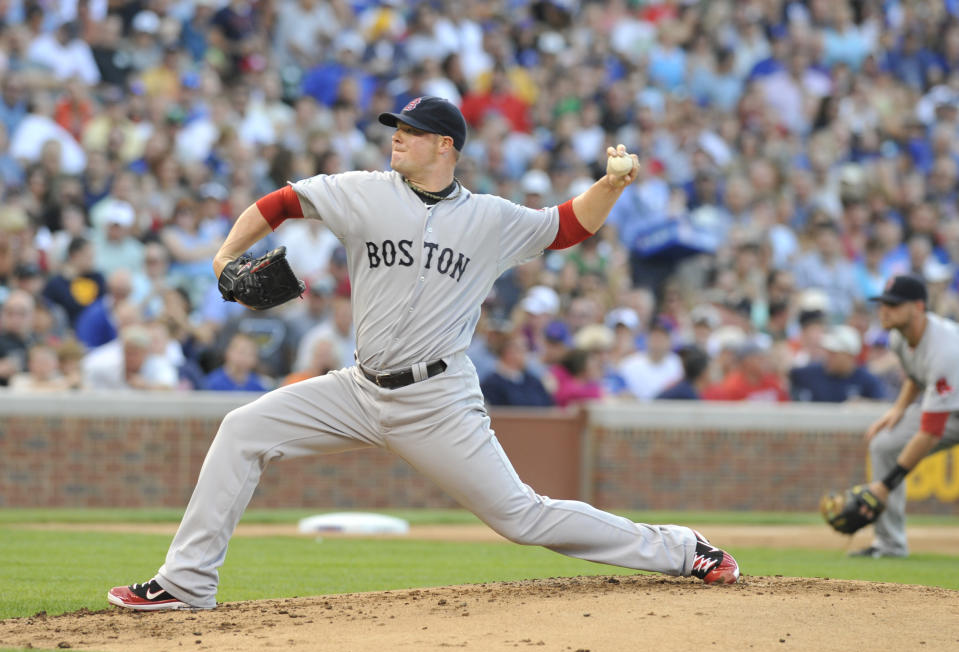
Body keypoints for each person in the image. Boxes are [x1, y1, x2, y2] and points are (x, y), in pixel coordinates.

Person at [107, 95, 738, 612]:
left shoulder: (489, 218)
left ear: (446, 146)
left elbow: (567, 227)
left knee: (522, 516)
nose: (397, 139)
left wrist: (611, 183)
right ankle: (187, 582)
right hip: (359, 389)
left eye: (411, 131)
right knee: (243, 430)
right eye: (396, 129)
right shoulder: (366, 191)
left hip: (437, 399)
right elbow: (280, 203)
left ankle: (681, 549)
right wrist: (223, 257)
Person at [854, 275, 959, 558]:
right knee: (884, 444)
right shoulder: (899, 337)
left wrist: (885, 485)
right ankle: (889, 546)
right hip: (950, 410)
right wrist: (898, 409)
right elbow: (916, 374)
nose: (884, 310)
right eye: (882, 303)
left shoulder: (945, 349)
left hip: (945, 413)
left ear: (918, 306)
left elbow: (930, 432)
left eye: (893, 304)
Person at [789, 325, 887, 403]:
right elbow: (787, 374)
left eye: (834, 353)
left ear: (849, 356)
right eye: (828, 352)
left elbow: (882, 404)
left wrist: (864, 404)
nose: (828, 356)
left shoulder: (866, 380)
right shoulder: (811, 373)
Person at [480, 332, 553, 407]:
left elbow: (548, 406)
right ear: (508, 352)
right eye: (521, 350)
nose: (526, 355)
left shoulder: (533, 381)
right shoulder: (492, 384)